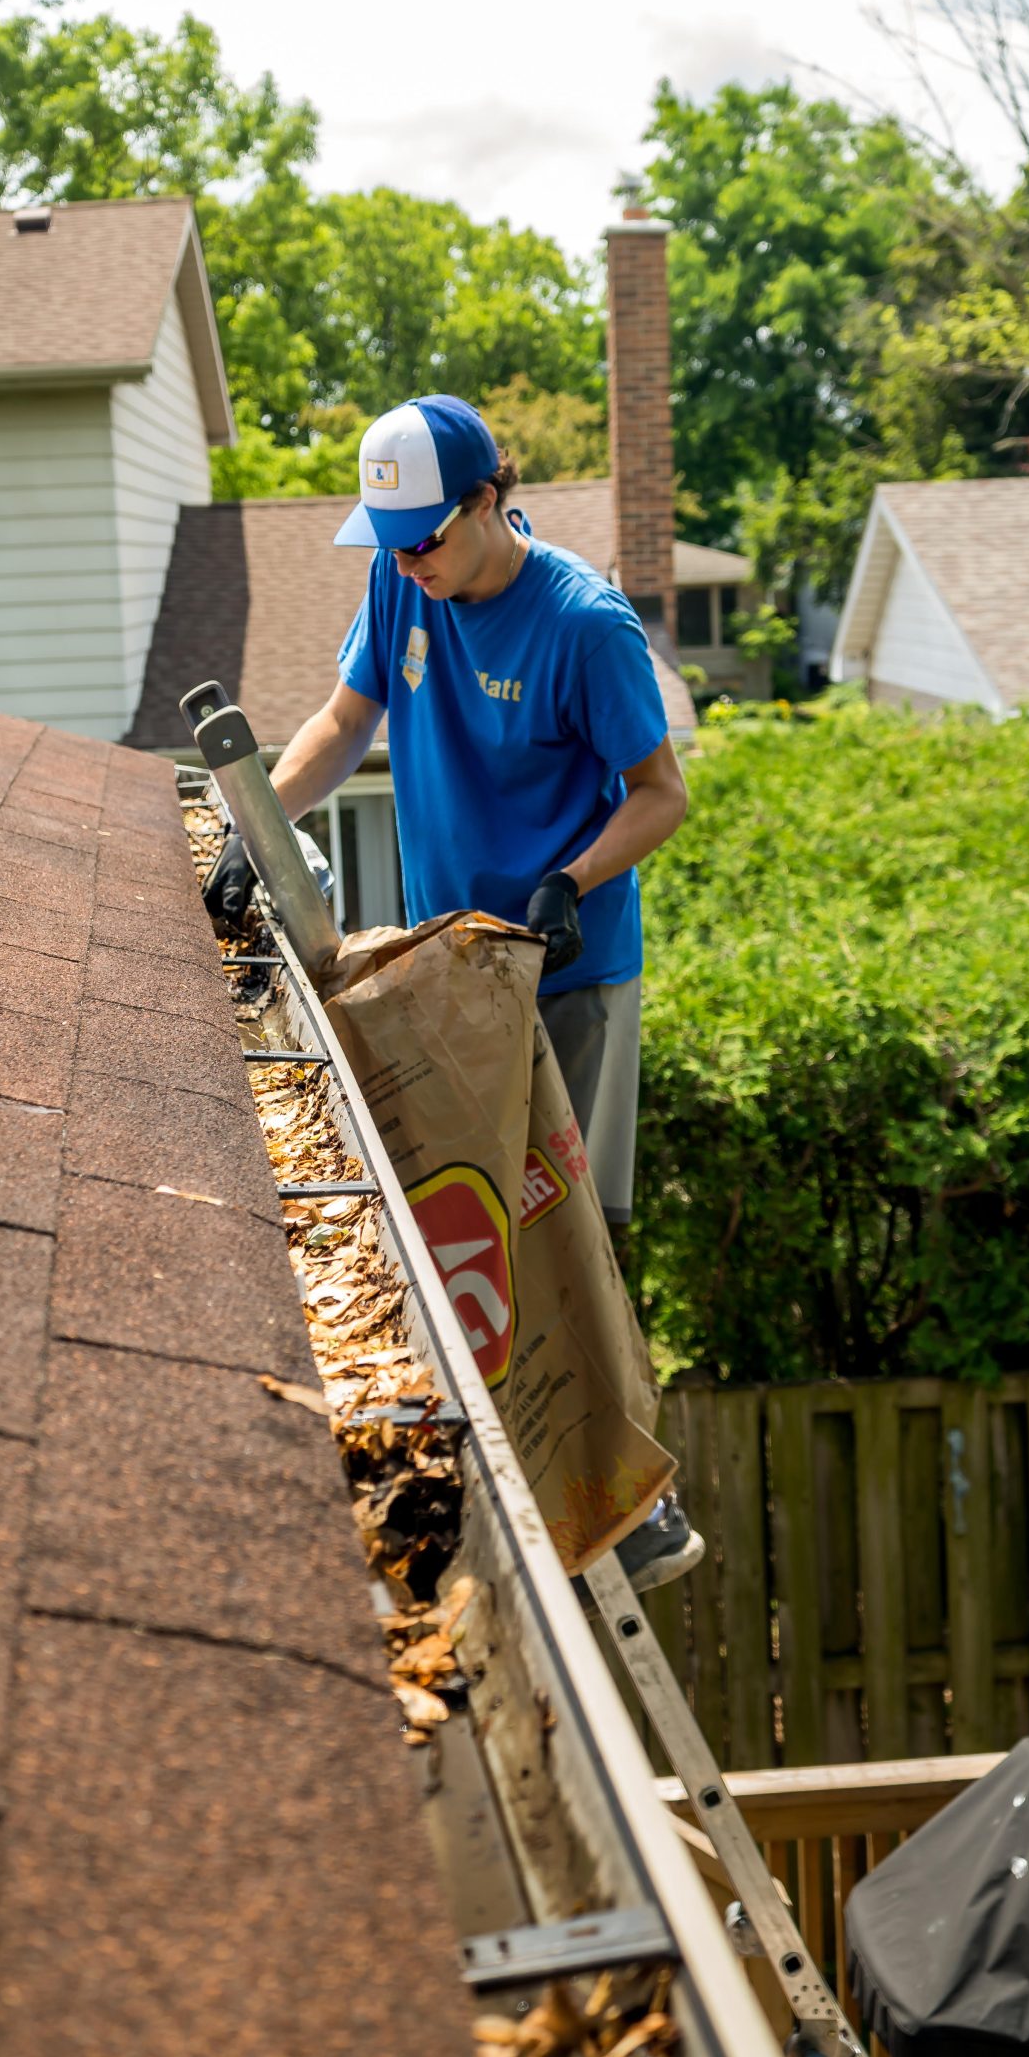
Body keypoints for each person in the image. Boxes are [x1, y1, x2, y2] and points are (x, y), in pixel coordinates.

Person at [205, 393, 703, 1592]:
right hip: (455, 961)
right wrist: (261, 820)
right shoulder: (401, 584)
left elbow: (662, 794)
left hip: (568, 967)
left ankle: (639, 1512)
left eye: (425, 537)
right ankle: (527, 1465)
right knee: (477, 1212)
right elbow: (341, 718)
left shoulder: (585, 627)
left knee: (569, 1227)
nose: (407, 562)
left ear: (487, 501)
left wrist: (572, 879)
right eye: (390, 541)